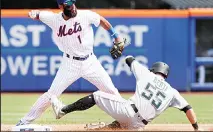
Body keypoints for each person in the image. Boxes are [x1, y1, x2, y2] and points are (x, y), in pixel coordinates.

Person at [16, 0, 126, 126]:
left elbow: (102, 21)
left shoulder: (86, 15)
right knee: (51, 95)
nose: (72, 6)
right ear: (61, 7)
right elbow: (39, 14)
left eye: (73, 2)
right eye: (68, 4)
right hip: (69, 64)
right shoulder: (54, 19)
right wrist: (34, 13)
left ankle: (126, 119)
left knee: (112, 91)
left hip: (90, 62)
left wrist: (116, 36)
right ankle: (23, 122)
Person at [51, 55, 202, 131]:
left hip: (129, 112)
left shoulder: (147, 75)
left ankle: (62, 110)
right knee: (116, 126)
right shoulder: (173, 92)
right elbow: (188, 109)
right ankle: (103, 128)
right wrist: (196, 127)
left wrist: (123, 49)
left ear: (154, 70)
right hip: (138, 126)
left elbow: (130, 60)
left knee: (97, 96)